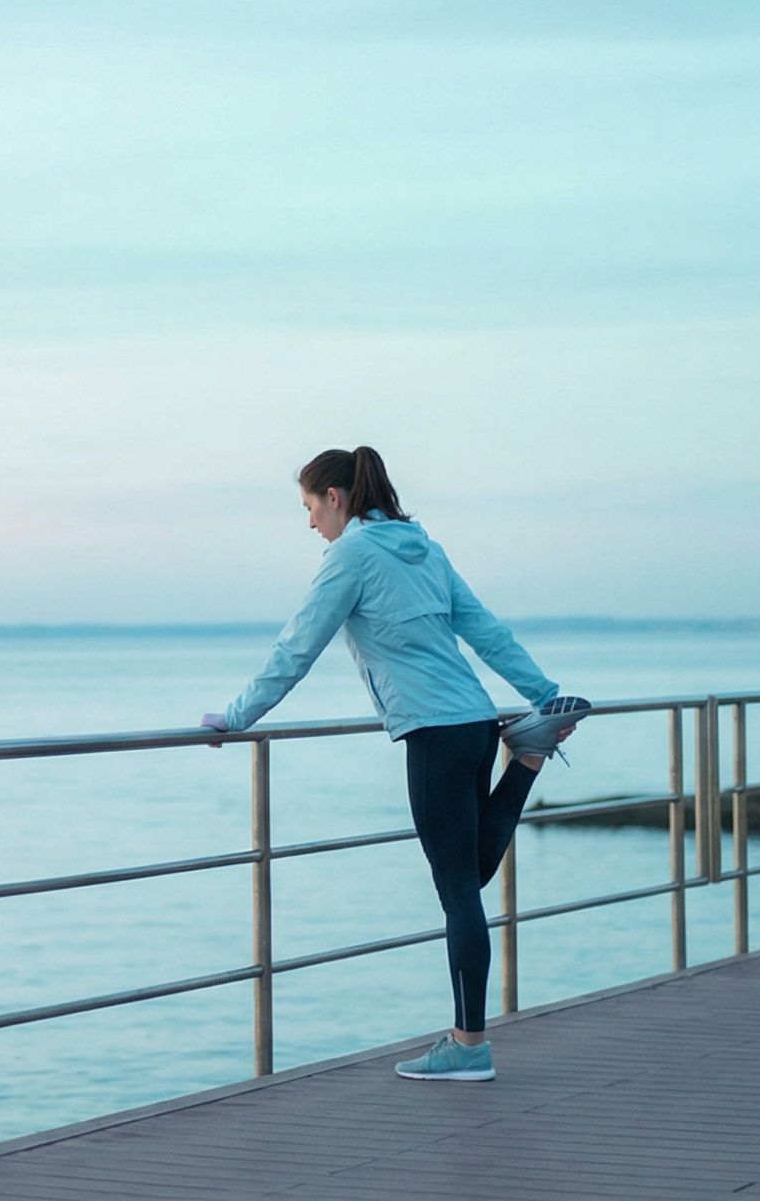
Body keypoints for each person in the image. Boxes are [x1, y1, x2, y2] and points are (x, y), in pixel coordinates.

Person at [198, 445, 589, 1083]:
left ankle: (468, 1046)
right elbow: (484, 629)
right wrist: (543, 693)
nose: (309, 524)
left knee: (459, 888)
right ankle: (526, 755)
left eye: (309, 507)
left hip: (434, 733)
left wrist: (238, 717)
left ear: (336, 498)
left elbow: (298, 645)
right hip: (474, 721)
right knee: (469, 874)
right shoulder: (425, 550)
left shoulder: (349, 556)